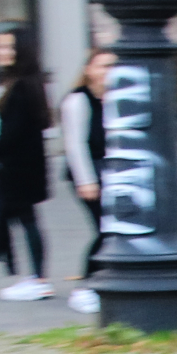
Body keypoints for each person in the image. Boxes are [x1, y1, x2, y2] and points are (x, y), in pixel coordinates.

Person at [0, 27, 53, 301]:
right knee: (26, 222)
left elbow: (12, 135)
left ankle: (38, 279)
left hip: (17, 168)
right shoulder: (28, 83)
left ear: (21, 51)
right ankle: (36, 277)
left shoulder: (20, 88)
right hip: (27, 165)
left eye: (6, 48)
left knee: (25, 222)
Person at [58, 48, 115, 314]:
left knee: (112, 229)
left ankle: (102, 281)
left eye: (113, 66)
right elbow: (75, 145)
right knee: (105, 230)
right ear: (89, 70)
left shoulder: (114, 99)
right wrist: (86, 180)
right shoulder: (77, 101)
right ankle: (85, 287)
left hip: (113, 174)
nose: (108, 72)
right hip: (89, 174)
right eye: (102, 66)